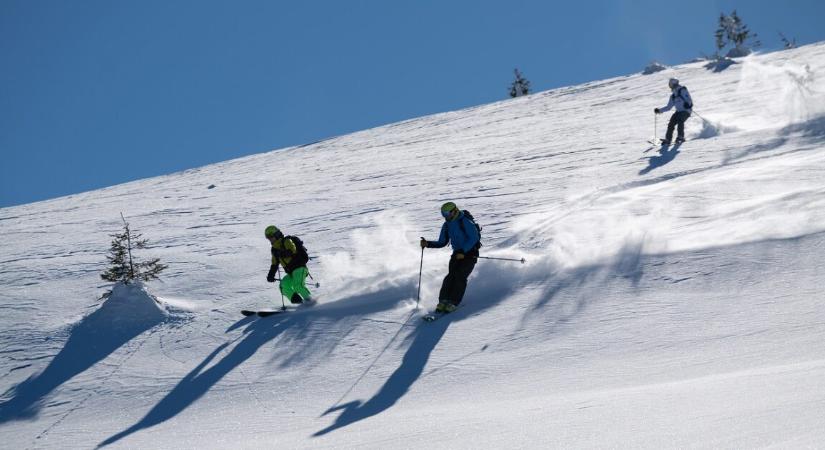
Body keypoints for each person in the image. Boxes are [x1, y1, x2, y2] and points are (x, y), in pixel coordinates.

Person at [419, 202, 481, 313]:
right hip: (457, 254)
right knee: (450, 276)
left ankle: (453, 302)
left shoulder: (465, 221)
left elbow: (474, 237)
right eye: (443, 214)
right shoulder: (447, 225)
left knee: (460, 276)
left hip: (470, 253)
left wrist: (464, 251)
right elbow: (442, 242)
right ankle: (443, 301)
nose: (445, 216)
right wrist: (428, 244)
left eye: (447, 213)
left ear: (455, 210)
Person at [264, 225, 311, 304]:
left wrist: (282, 253)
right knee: (283, 286)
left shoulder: (286, 241)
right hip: (291, 273)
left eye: (271, 237)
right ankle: (300, 303)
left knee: (298, 286)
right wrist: (270, 275)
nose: (270, 239)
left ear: (276, 235)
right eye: (268, 238)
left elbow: (292, 250)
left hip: (300, 268)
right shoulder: (274, 249)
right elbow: (274, 264)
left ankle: (311, 302)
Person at [654, 78, 693, 145]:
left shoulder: (682, 90)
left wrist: (688, 104)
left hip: (686, 111)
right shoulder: (673, 96)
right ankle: (668, 139)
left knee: (680, 120)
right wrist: (659, 110)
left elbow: (689, 99)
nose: (670, 86)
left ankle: (680, 137)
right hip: (678, 111)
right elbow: (668, 107)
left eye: (670, 84)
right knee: (671, 123)